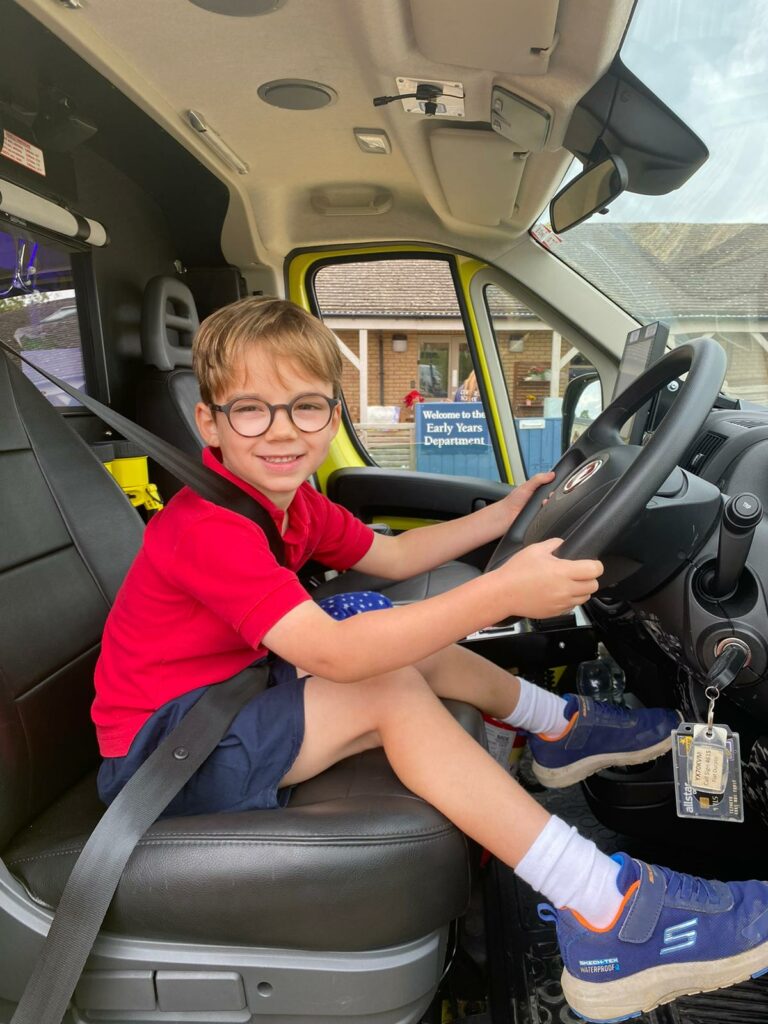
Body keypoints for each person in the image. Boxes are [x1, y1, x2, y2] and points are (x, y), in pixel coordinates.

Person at [92, 297, 768, 1024]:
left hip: (225, 697)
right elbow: (333, 654)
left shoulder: (292, 505)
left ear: (333, 412)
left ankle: (557, 727)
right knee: (384, 686)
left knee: (380, 618)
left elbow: (395, 554)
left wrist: (509, 513)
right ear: (210, 425)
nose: (283, 431)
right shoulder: (206, 527)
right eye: (251, 411)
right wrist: (502, 591)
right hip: (166, 754)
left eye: (307, 408)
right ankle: (609, 914)